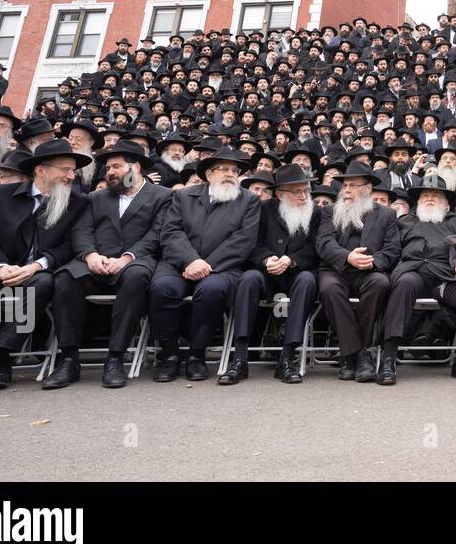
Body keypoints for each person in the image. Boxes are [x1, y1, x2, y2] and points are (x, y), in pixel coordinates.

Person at [0, 139, 91, 393]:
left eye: (72, 171)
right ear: (41, 170)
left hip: (40, 273)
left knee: (42, 283)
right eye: (64, 169)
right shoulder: (0, 196)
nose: (70, 176)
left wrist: (37, 266)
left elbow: (70, 245)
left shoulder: (78, 203)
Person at [46, 141, 172, 389]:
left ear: (135, 168)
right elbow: (82, 229)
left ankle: (115, 358)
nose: (109, 172)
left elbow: (158, 234)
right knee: (65, 279)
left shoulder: (164, 196)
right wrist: (90, 255)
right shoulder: (96, 197)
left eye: (115, 166)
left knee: (136, 279)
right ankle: (68, 359)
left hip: (135, 261)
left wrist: (126, 258)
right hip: (96, 259)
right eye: (107, 168)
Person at [148, 146, 261, 383]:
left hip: (222, 266)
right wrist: (190, 260)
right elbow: (171, 232)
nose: (230, 174)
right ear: (209, 175)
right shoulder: (182, 196)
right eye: (224, 169)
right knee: (162, 288)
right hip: (178, 263)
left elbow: (243, 240)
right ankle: (169, 355)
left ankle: (197, 355)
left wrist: (205, 265)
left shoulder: (249, 200)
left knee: (211, 290)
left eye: (235, 170)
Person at [379, 173, 456, 385]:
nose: (429, 198)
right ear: (417, 202)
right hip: (413, 272)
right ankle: (388, 358)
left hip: (443, 279)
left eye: (436, 196)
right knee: (405, 283)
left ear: (446, 204)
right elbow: (389, 249)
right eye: (425, 195)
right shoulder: (403, 222)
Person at [230, 164, 321, 384]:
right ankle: (239, 358)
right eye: (297, 191)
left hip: (297, 272)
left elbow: (315, 247)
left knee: (308, 281)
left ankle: (287, 358)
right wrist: (266, 259)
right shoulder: (261, 209)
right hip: (266, 273)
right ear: (280, 193)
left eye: (305, 190)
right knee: (248, 279)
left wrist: (292, 260)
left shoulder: (315, 212)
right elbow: (251, 243)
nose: (303, 196)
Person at [315, 162, 400, 383]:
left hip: (368, 270)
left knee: (380, 283)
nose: (347, 190)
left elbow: (392, 249)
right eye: (345, 186)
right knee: (329, 289)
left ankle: (348, 355)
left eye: (353, 185)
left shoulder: (387, 215)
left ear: (368, 188)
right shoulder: (329, 211)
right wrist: (347, 257)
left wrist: (371, 262)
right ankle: (359, 354)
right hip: (336, 269)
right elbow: (324, 243)